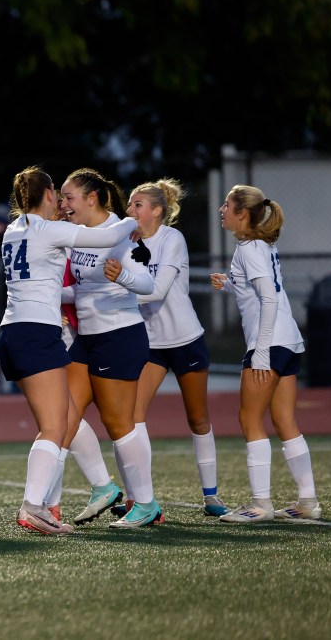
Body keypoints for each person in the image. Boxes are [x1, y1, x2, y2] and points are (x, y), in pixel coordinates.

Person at [0, 167, 139, 534]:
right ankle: (34, 506)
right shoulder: (48, 229)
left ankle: (88, 490)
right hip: (36, 332)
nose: (61, 201)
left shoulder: (13, 231)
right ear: (46, 195)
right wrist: (131, 220)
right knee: (54, 425)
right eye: (56, 194)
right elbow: (106, 234)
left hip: (12, 330)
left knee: (67, 415)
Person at [115, 179, 229, 518]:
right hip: (149, 344)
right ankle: (139, 498)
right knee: (131, 417)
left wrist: (119, 285)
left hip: (184, 339)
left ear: (157, 211)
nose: (130, 210)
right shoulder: (124, 241)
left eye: (137, 205)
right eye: (130, 204)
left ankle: (211, 497)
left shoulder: (172, 239)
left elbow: (159, 289)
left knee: (197, 418)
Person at [211, 185, 320, 522]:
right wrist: (229, 285)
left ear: (242, 213)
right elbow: (261, 289)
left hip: (270, 343)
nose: (221, 209)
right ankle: (309, 503)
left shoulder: (250, 249)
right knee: (285, 421)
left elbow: (269, 299)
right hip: (289, 342)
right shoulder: (257, 245)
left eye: (227, 204)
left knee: (248, 419)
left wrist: (260, 352)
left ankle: (261, 505)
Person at [60, 168, 161, 529]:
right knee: (61, 415)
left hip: (119, 335)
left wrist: (123, 276)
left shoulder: (120, 232)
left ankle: (146, 503)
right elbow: (83, 290)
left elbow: (148, 283)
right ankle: (85, 491)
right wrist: (43, 295)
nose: (64, 204)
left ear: (92, 198)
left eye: (69, 197)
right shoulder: (78, 236)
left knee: (118, 423)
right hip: (87, 338)